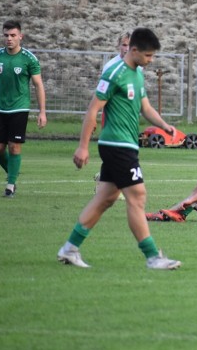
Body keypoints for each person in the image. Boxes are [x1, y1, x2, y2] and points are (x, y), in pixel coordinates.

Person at [57, 27, 181, 270]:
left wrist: (165, 126)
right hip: (116, 145)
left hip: (126, 145)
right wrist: (83, 147)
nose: (151, 60)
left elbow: (145, 108)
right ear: (133, 50)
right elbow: (93, 110)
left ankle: (70, 248)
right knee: (137, 197)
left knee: (105, 198)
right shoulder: (114, 73)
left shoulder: (137, 73)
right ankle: (153, 257)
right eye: (148, 55)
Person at [0, 20, 47, 197]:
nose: (9, 39)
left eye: (13, 35)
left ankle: (10, 185)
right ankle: (12, 173)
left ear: (20, 37)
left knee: (14, 147)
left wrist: (42, 112)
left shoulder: (29, 59)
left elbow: (38, 85)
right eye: (6, 35)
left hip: (19, 109)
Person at [95, 31, 130, 197]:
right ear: (119, 46)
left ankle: (104, 180)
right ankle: (116, 186)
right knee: (115, 150)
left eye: (130, 45)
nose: (127, 48)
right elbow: (102, 95)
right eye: (124, 44)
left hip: (128, 118)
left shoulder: (136, 68)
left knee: (121, 152)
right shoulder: (110, 67)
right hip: (111, 116)